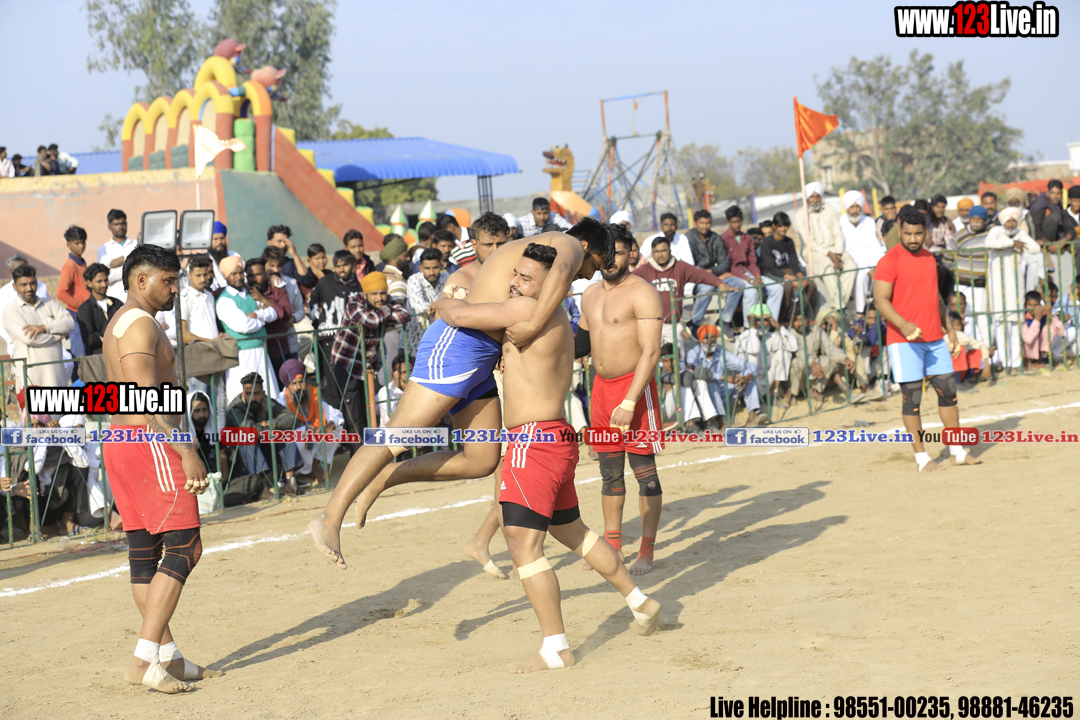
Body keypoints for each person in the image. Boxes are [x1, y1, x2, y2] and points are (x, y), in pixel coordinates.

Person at [310, 220, 613, 569]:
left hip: (481, 352)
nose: (587, 275)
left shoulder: (539, 254)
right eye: (594, 266)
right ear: (586, 247)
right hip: (460, 344)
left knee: (482, 459)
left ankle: (385, 476)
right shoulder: (567, 244)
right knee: (398, 433)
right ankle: (329, 517)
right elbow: (558, 272)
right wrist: (530, 325)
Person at [422, 242, 661, 671]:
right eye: (515, 273)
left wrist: (444, 299)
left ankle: (556, 648)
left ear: (549, 284)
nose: (514, 282)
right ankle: (639, 600)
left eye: (526, 278)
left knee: (522, 544)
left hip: (532, 441)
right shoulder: (559, 317)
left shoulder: (526, 311)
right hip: (554, 436)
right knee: (575, 534)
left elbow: (457, 316)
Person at [100, 244, 217, 693]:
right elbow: (144, 398)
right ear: (140, 280)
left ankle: (168, 656)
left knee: (144, 554)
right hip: (148, 443)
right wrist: (186, 449)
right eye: (168, 281)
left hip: (125, 442)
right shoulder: (139, 324)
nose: (175, 289)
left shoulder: (124, 321)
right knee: (185, 548)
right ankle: (142, 659)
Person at [576, 225, 664, 575]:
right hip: (600, 390)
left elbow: (651, 351)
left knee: (645, 475)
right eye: (606, 253)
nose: (611, 260)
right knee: (609, 474)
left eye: (620, 252)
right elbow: (579, 345)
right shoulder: (589, 294)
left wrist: (629, 402)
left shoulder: (643, 292)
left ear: (632, 254)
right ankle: (613, 547)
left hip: (635, 391)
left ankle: (647, 551)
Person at [873, 205, 980, 472]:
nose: (913, 239)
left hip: (934, 338)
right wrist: (903, 324)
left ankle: (956, 451)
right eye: (908, 233)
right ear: (900, 230)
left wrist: (949, 329)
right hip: (903, 341)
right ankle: (922, 459)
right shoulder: (889, 261)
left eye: (918, 234)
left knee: (949, 394)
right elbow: (880, 300)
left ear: (925, 232)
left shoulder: (930, 259)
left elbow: (936, 297)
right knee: (912, 400)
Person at [332, 272, 411, 434]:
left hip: (367, 365)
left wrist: (382, 311)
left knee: (367, 408)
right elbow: (370, 321)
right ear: (366, 294)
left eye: (383, 293)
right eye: (374, 294)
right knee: (353, 412)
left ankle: (370, 444)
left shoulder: (386, 301)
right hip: (346, 362)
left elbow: (405, 314)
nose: (379, 298)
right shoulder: (354, 302)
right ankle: (358, 448)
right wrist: (387, 310)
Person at [632, 236, 730, 346]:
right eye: (657, 252)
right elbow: (626, 282)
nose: (660, 254)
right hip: (651, 326)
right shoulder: (644, 270)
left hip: (673, 325)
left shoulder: (680, 267)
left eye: (663, 250)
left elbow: (701, 274)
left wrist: (719, 283)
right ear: (652, 253)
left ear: (670, 251)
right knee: (653, 355)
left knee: (677, 355)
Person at [225, 372, 303, 496]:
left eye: (256, 393)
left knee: (285, 431)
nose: (253, 398)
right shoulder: (235, 409)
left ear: (263, 393)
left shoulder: (267, 402)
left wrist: (271, 423)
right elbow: (250, 429)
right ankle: (262, 488)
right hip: (241, 462)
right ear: (243, 394)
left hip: (264, 454)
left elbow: (292, 419)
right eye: (248, 394)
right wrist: (273, 431)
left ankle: (290, 481)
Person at [216, 256, 280, 402]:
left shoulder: (251, 293)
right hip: (241, 356)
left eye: (241, 273)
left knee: (268, 397)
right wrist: (262, 320)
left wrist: (256, 315)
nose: (239, 277)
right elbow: (244, 326)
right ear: (226, 276)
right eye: (234, 274)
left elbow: (273, 313)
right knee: (244, 398)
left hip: (261, 352)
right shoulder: (225, 301)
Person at [983, 207, 1040, 369]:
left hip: (1015, 286)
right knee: (1001, 324)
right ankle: (1006, 362)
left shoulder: (1020, 234)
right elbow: (988, 243)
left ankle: (1016, 363)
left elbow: (1035, 248)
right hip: (997, 285)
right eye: (1008, 221)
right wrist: (1012, 244)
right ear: (1003, 222)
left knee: (1015, 325)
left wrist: (1018, 240)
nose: (1011, 224)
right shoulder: (996, 231)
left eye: (1014, 221)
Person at [3, 264, 74, 390]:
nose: (29, 288)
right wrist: (59, 335)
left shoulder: (49, 303)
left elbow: (70, 323)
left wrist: (44, 327)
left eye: (32, 283)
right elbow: (30, 339)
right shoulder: (12, 311)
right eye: (24, 284)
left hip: (57, 376)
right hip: (32, 378)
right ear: (15, 286)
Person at [275, 359, 343, 488]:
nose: (299, 387)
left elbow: (336, 413)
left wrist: (331, 424)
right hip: (294, 443)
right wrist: (307, 429)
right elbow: (280, 428)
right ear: (287, 384)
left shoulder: (313, 394)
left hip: (314, 437)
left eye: (301, 382)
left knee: (338, 430)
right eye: (294, 383)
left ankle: (312, 468)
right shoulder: (281, 401)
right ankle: (296, 471)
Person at [719, 206, 783, 333]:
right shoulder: (723, 239)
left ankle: (769, 323)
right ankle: (748, 328)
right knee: (752, 291)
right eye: (734, 222)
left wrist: (757, 277)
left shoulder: (746, 238)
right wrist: (750, 280)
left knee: (777, 288)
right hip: (735, 276)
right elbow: (729, 266)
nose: (737, 224)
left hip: (749, 274)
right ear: (728, 222)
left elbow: (752, 262)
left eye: (739, 221)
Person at [309, 249, 362, 403]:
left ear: (353, 265)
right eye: (337, 266)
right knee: (332, 382)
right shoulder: (325, 282)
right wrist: (318, 323)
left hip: (351, 340)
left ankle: (353, 414)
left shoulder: (358, 287)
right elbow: (312, 302)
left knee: (352, 383)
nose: (341, 269)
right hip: (329, 339)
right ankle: (336, 415)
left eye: (345, 265)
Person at [794, 182, 857, 311]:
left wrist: (838, 253)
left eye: (817, 196)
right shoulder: (801, 215)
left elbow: (838, 233)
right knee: (828, 266)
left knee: (852, 266)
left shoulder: (829, 209)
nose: (815, 200)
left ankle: (840, 301)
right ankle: (840, 306)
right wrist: (829, 255)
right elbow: (809, 242)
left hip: (834, 249)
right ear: (807, 199)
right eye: (811, 197)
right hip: (813, 251)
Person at [786, 310, 853, 407]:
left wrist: (845, 358)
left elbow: (830, 348)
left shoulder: (816, 330)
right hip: (798, 374)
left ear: (809, 319)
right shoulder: (789, 333)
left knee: (830, 361)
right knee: (797, 362)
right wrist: (812, 363)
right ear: (791, 322)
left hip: (813, 370)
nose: (800, 323)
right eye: (796, 320)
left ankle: (813, 390)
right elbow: (799, 352)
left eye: (803, 319)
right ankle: (792, 393)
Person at [759, 211, 815, 321]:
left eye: (785, 226)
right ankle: (782, 318)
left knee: (810, 285)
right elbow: (770, 268)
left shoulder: (789, 242)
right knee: (787, 287)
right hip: (771, 273)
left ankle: (799, 313)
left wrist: (801, 277)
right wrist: (791, 278)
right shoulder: (767, 243)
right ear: (774, 226)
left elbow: (794, 263)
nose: (783, 229)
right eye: (780, 226)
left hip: (787, 271)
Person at [839, 191, 887, 314]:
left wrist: (877, 266)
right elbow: (847, 251)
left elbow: (876, 247)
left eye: (857, 206)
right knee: (861, 276)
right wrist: (867, 270)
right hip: (850, 265)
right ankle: (860, 312)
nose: (855, 210)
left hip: (871, 263)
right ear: (846, 208)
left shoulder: (869, 222)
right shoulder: (840, 223)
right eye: (852, 207)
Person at [246, 256, 294, 377]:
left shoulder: (277, 289)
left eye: (258, 274)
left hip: (278, 347)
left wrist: (263, 299)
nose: (254, 279)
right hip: (256, 350)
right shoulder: (244, 293)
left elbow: (287, 314)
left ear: (266, 274)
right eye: (250, 275)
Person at [263, 247, 307, 360]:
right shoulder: (259, 284)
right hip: (267, 342)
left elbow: (300, 310)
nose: (276, 269)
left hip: (288, 339)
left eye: (278, 266)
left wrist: (292, 319)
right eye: (272, 266)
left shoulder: (290, 283)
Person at [57, 225, 91, 358]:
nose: (81, 246)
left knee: (88, 353)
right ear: (68, 244)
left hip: (86, 314)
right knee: (80, 355)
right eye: (77, 243)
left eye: (83, 242)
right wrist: (80, 305)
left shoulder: (81, 263)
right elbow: (61, 293)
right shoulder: (70, 265)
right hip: (76, 316)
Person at [406, 247, 448, 353]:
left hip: (440, 340)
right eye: (427, 268)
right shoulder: (414, 280)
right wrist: (440, 305)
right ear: (421, 268)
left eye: (435, 267)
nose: (431, 272)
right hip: (415, 340)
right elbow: (419, 306)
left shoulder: (446, 277)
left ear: (441, 266)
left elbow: (454, 300)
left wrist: (437, 305)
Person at [77, 262, 122, 355]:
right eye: (99, 281)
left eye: (106, 280)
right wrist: (114, 335)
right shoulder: (84, 309)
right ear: (89, 283)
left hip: (120, 354)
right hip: (98, 358)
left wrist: (102, 335)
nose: (104, 284)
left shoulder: (117, 303)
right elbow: (90, 339)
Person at [98, 209, 137, 302]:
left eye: (123, 223)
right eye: (116, 224)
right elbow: (107, 277)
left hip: (136, 298)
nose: (120, 227)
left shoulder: (136, 244)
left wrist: (121, 261)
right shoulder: (103, 249)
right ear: (109, 226)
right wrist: (131, 266)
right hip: (114, 300)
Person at [1021, 291, 1065, 370]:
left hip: (1038, 349)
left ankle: (1039, 359)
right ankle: (1028, 362)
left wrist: (1050, 316)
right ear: (1025, 305)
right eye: (1030, 305)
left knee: (1049, 328)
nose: (1033, 308)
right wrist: (1037, 319)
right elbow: (1028, 339)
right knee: (1032, 334)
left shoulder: (1043, 316)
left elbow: (1062, 333)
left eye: (1036, 305)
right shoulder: (1024, 318)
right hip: (1026, 351)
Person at [947, 311, 992, 384]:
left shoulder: (962, 336)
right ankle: (957, 383)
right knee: (960, 348)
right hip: (949, 373)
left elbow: (981, 345)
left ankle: (966, 381)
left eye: (958, 325)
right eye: (953, 325)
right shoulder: (945, 337)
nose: (956, 328)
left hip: (962, 371)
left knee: (977, 351)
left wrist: (987, 365)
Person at [374, 353, 409, 427]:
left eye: (411, 371)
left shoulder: (418, 387)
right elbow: (395, 421)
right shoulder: (386, 392)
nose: (408, 375)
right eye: (403, 372)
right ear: (394, 375)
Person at [207, 221, 240, 291]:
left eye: (222, 238)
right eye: (215, 239)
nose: (219, 242)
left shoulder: (235, 256)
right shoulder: (205, 258)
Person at [376, 234, 411, 300]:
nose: (408, 258)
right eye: (405, 255)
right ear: (395, 259)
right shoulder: (397, 281)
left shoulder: (380, 276)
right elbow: (398, 305)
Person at [301, 242, 328, 308]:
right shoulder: (305, 277)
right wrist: (322, 278)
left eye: (323, 257)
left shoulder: (330, 274)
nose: (322, 261)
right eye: (317, 258)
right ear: (309, 260)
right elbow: (313, 297)